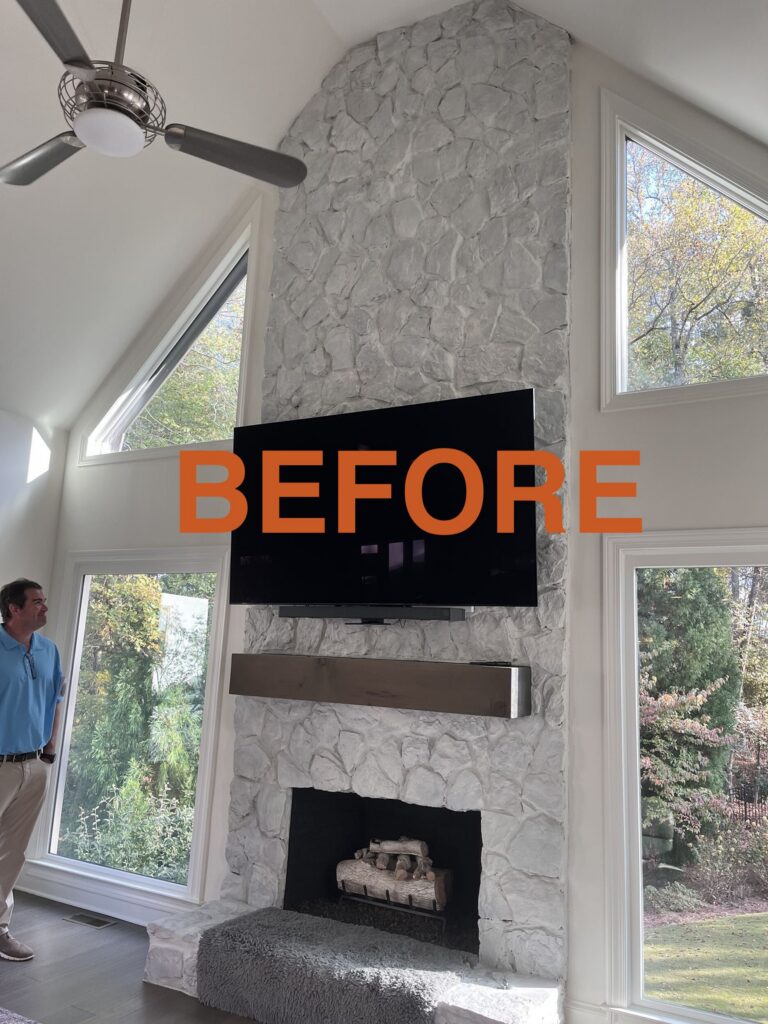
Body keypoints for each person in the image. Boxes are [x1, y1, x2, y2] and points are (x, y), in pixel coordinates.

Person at [0, 578, 64, 961]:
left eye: (44, 600)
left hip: (34, 765)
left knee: (13, 852)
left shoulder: (48, 650)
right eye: (37, 602)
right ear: (14, 608)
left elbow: (56, 698)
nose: (44, 607)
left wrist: (50, 748)